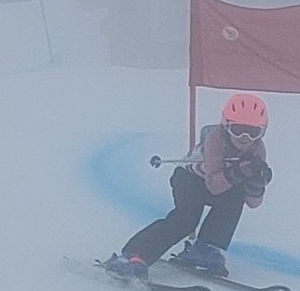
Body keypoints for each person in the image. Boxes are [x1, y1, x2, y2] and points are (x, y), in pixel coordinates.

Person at [103, 93, 273, 280]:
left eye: (253, 132)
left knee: (235, 197)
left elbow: (253, 203)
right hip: (190, 179)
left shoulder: (257, 149)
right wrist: (239, 173)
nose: (244, 138)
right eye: (238, 129)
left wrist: (257, 183)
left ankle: (207, 246)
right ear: (225, 126)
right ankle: (134, 255)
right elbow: (214, 185)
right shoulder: (215, 140)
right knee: (186, 219)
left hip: (221, 182)